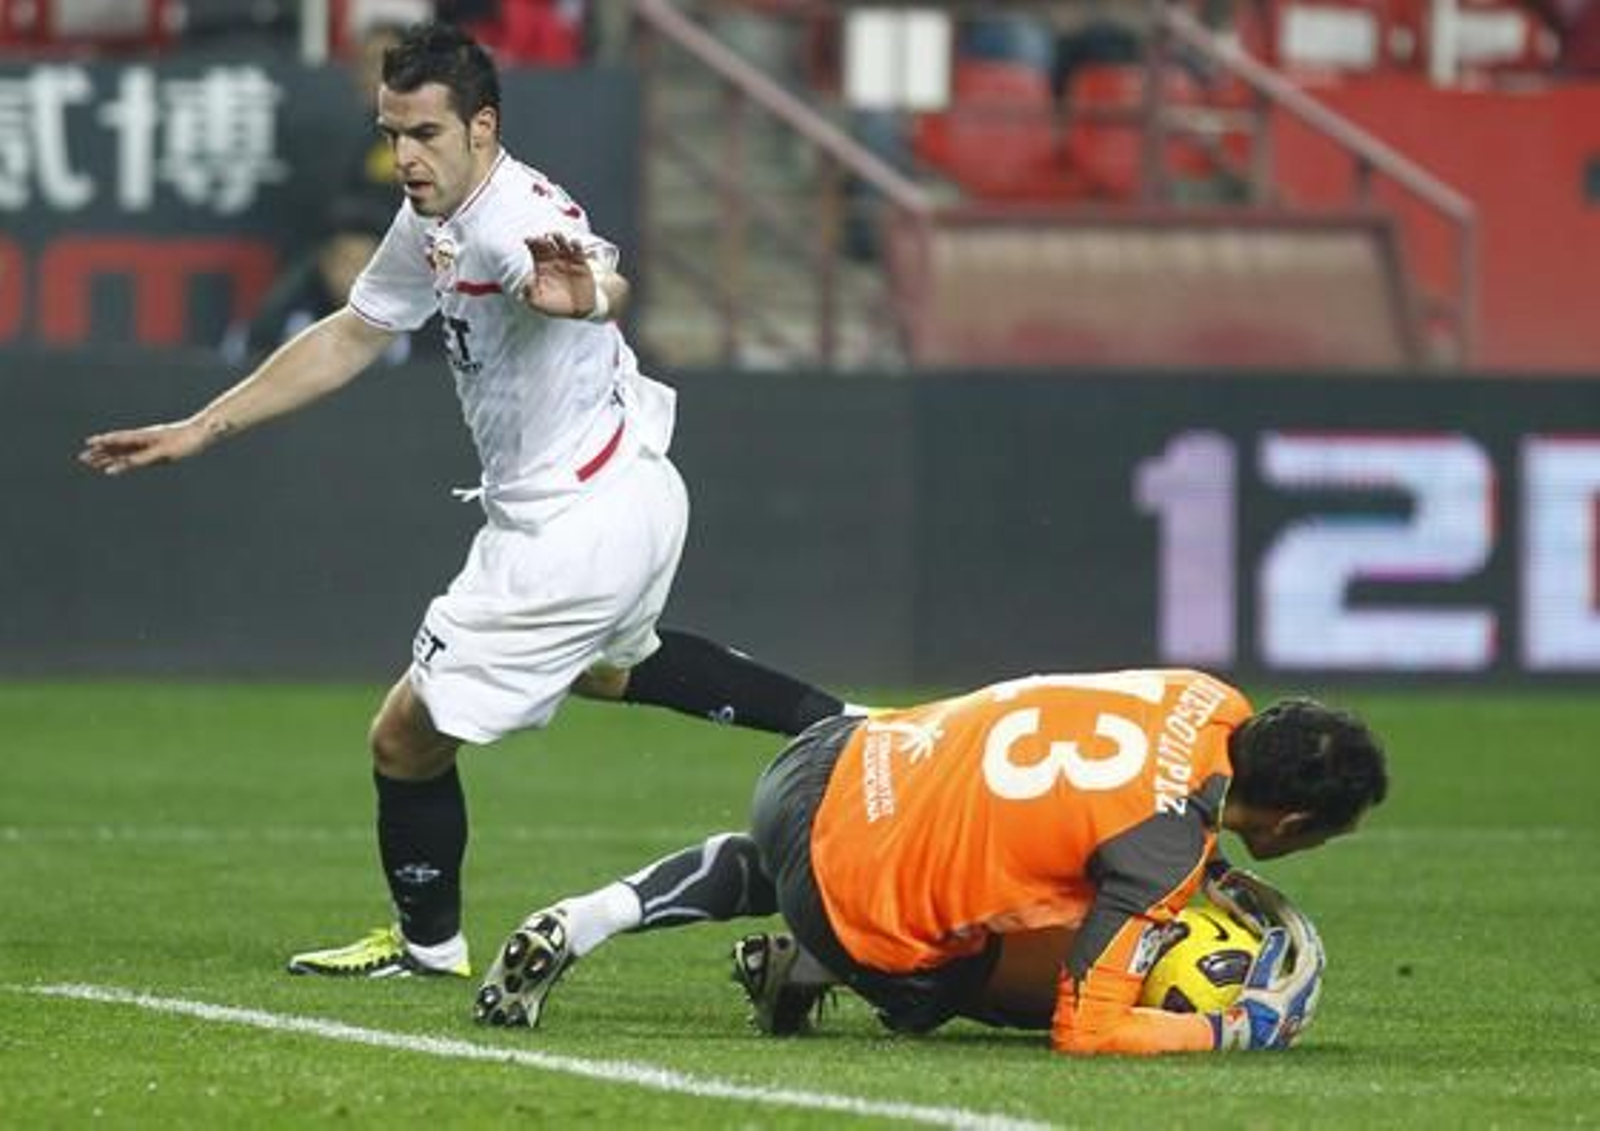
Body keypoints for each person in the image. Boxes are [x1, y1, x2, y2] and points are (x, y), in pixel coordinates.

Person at [78, 20, 856, 981]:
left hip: (572, 530)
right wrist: (204, 425)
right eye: (393, 132)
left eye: (427, 135)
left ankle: (428, 948)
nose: (405, 156)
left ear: (482, 127)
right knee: (616, 668)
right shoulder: (432, 219)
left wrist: (592, 295)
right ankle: (847, 725)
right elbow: (356, 332)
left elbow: (588, 271)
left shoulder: (509, 215)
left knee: (403, 738)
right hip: (629, 487)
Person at [473, 668, 1387, 1055]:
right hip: (854, 898)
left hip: (835, 758)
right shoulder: (1159, 851)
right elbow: (1088, 1031)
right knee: (1047, 968)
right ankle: (814, 960)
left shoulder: (1205, 692)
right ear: (1296, 818)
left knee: (817, 851)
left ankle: (591, 915)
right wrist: (1231, 1030)